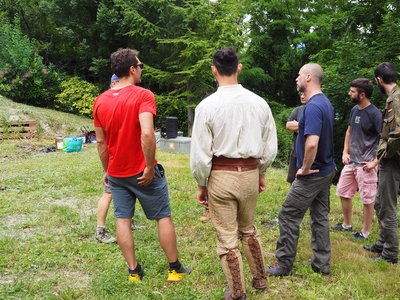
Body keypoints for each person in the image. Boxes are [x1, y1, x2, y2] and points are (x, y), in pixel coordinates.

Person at [93, 48, 190, 282]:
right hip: (141, 172)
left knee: (122, 219)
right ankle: (174, 269)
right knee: (163, 217)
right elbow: (147, 134)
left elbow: (100, 141)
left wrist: (107, 170)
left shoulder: (100, 101)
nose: (141, 69)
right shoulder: (143, 95)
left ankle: (134, 272)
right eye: (140, 65)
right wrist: (148, 167)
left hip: (116, 174)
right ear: (132, 70)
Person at [190, 47, 277, 300]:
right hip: (249, 174)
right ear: (239, 68)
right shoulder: (259, 103)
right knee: (247, 228)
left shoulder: (206, 106)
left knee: (228, 236)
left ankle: (237, 291)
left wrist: (201, 184)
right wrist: (261, 172)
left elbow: (200, 154)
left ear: (213, 70)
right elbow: (269, 146)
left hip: (222, 176)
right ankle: (260, 278)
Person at [267, 63, 335, 277]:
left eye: (298, 76)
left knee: (288, 215)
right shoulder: (325, 103)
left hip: (313, 173)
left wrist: (304, 168)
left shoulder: (314, 106)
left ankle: (284, 264)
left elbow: (312, 142)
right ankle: (321, 264)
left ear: (308, 77)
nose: (295, 79)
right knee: (320, 217)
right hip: (326, 170)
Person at [95, 75, 145, 244]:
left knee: (127, 193)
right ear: (114, 83)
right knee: (107, 193)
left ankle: (128, 223)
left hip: (121, 161)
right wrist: (106, 169)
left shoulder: (105, 102)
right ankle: (100, 229)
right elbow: (101, 140)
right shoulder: (107, 101)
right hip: (114, 161)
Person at [332, 78, 381, 240]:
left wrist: (375, 161)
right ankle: (347, 224)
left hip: (366, 164)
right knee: (343, 192)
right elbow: (349, 131)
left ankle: (365, 232)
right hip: (351, 161)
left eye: (352, 91)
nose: (349, 93)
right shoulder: (354, 110)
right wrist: (345, 152)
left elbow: (384, 140)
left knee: (367, 199)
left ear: (362, 94)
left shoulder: (375, 114)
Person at [363, 62, 400, 264]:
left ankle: (390, 254)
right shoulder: (394, 98)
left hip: (393, 161)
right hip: (390, 159)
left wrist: (381, 156)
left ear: (379, 80)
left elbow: (396, 136)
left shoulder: (395, 100)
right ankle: (381, 244)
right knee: (379, 203)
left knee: (387, 207)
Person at [286, 93, 306, 184]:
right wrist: (305, 127)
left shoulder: (315, 110)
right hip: (295, 152)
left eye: (304, 94)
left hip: (308, 154)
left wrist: (297, 125)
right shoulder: (297, 110)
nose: (302, 96)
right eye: (301, 94)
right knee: (292, 180)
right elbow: (288, 125)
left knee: (304, 181)